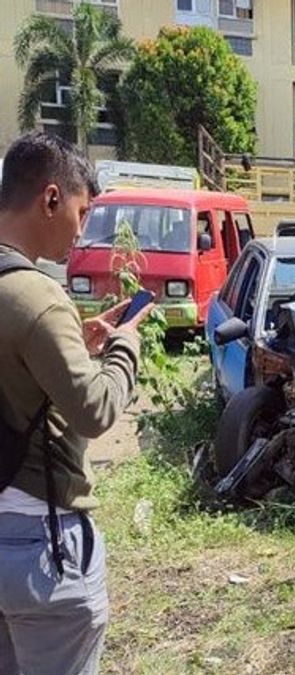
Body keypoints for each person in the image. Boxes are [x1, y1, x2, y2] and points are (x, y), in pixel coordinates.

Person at [0, 133, 153, 674]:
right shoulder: (38, 296)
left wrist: (69, 347)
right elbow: (94, 409)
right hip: (40, 545)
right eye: (81, 211)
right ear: (49, 199)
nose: (82, 229)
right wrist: (123, 349)